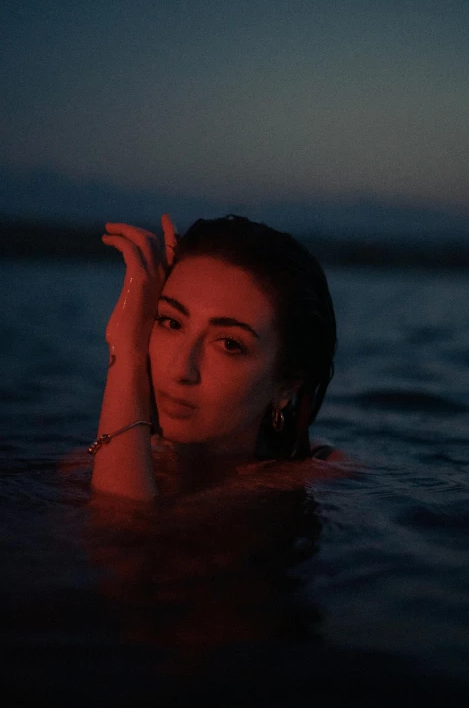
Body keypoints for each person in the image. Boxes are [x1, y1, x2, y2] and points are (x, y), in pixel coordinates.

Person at [91, 214, 342, 503]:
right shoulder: (88, 463)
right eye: (171, 322)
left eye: (229, 344)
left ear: (285, 384)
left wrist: (126, 352)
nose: (181, 369)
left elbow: (121, 534)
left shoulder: (317, 477)